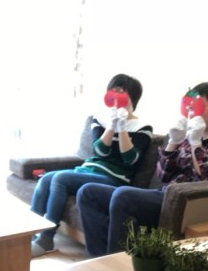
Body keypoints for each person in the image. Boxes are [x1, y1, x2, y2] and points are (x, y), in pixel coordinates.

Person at [77, 82, 208, 257]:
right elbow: (163, 175)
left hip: (188, 204)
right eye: (190, 108)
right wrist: (173, 142)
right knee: (88, 192)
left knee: (123, 196)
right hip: (165, 195)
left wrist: (195, 144)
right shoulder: (186, 138)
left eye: (200, 106)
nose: (193, 113)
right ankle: (100, 260)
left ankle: (118, 268)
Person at [30, 73, 153, 257]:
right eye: (114, 91)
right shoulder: (100, 119)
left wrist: (122, 128)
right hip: (88, 171)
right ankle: (29, 236)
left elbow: (130, 159)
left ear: (133, 98)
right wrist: (111, 126)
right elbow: (99, 152)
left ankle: (46, 239)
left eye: (123, 92)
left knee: (61, 179)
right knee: (46, 179)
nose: (117, 97)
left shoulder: (143, 127)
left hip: (113, 180)